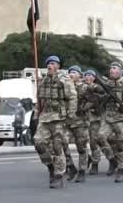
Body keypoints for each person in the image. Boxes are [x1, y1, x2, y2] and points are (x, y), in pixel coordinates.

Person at [34, 56, 77, 189]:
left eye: (52, 63)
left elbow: (72, 98)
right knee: (38, 143)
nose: (49, 66)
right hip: (45, 117)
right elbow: (40, 100)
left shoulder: (65, 80)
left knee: (58, 147)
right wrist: (36, 115)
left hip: (59, 117)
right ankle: (51, 166)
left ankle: (59, 175)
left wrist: (70, 116)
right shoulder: (44, 81)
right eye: (48, 64)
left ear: (58, 66)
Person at [95, 62, 123, 183]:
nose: (111, 70)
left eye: (114, 68)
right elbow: (100, 94)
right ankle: (112, 160)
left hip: (121, 117)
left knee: (120, 143)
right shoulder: (107, 83)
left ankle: (122, 169)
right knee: (100, 138)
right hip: (108, 117)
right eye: (110, 68)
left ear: (120, 70)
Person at [63, 65, 90, 183]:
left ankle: (82, 171)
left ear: (79, 75)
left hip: (80, 121)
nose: (71, 74)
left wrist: (83, 108)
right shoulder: (66, 86)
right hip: (66, 120)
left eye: (74, 72)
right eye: (70, 72)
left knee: (81, 147)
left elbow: (93, 101)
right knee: (61, 143)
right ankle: (71, 167)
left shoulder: (85, 87)